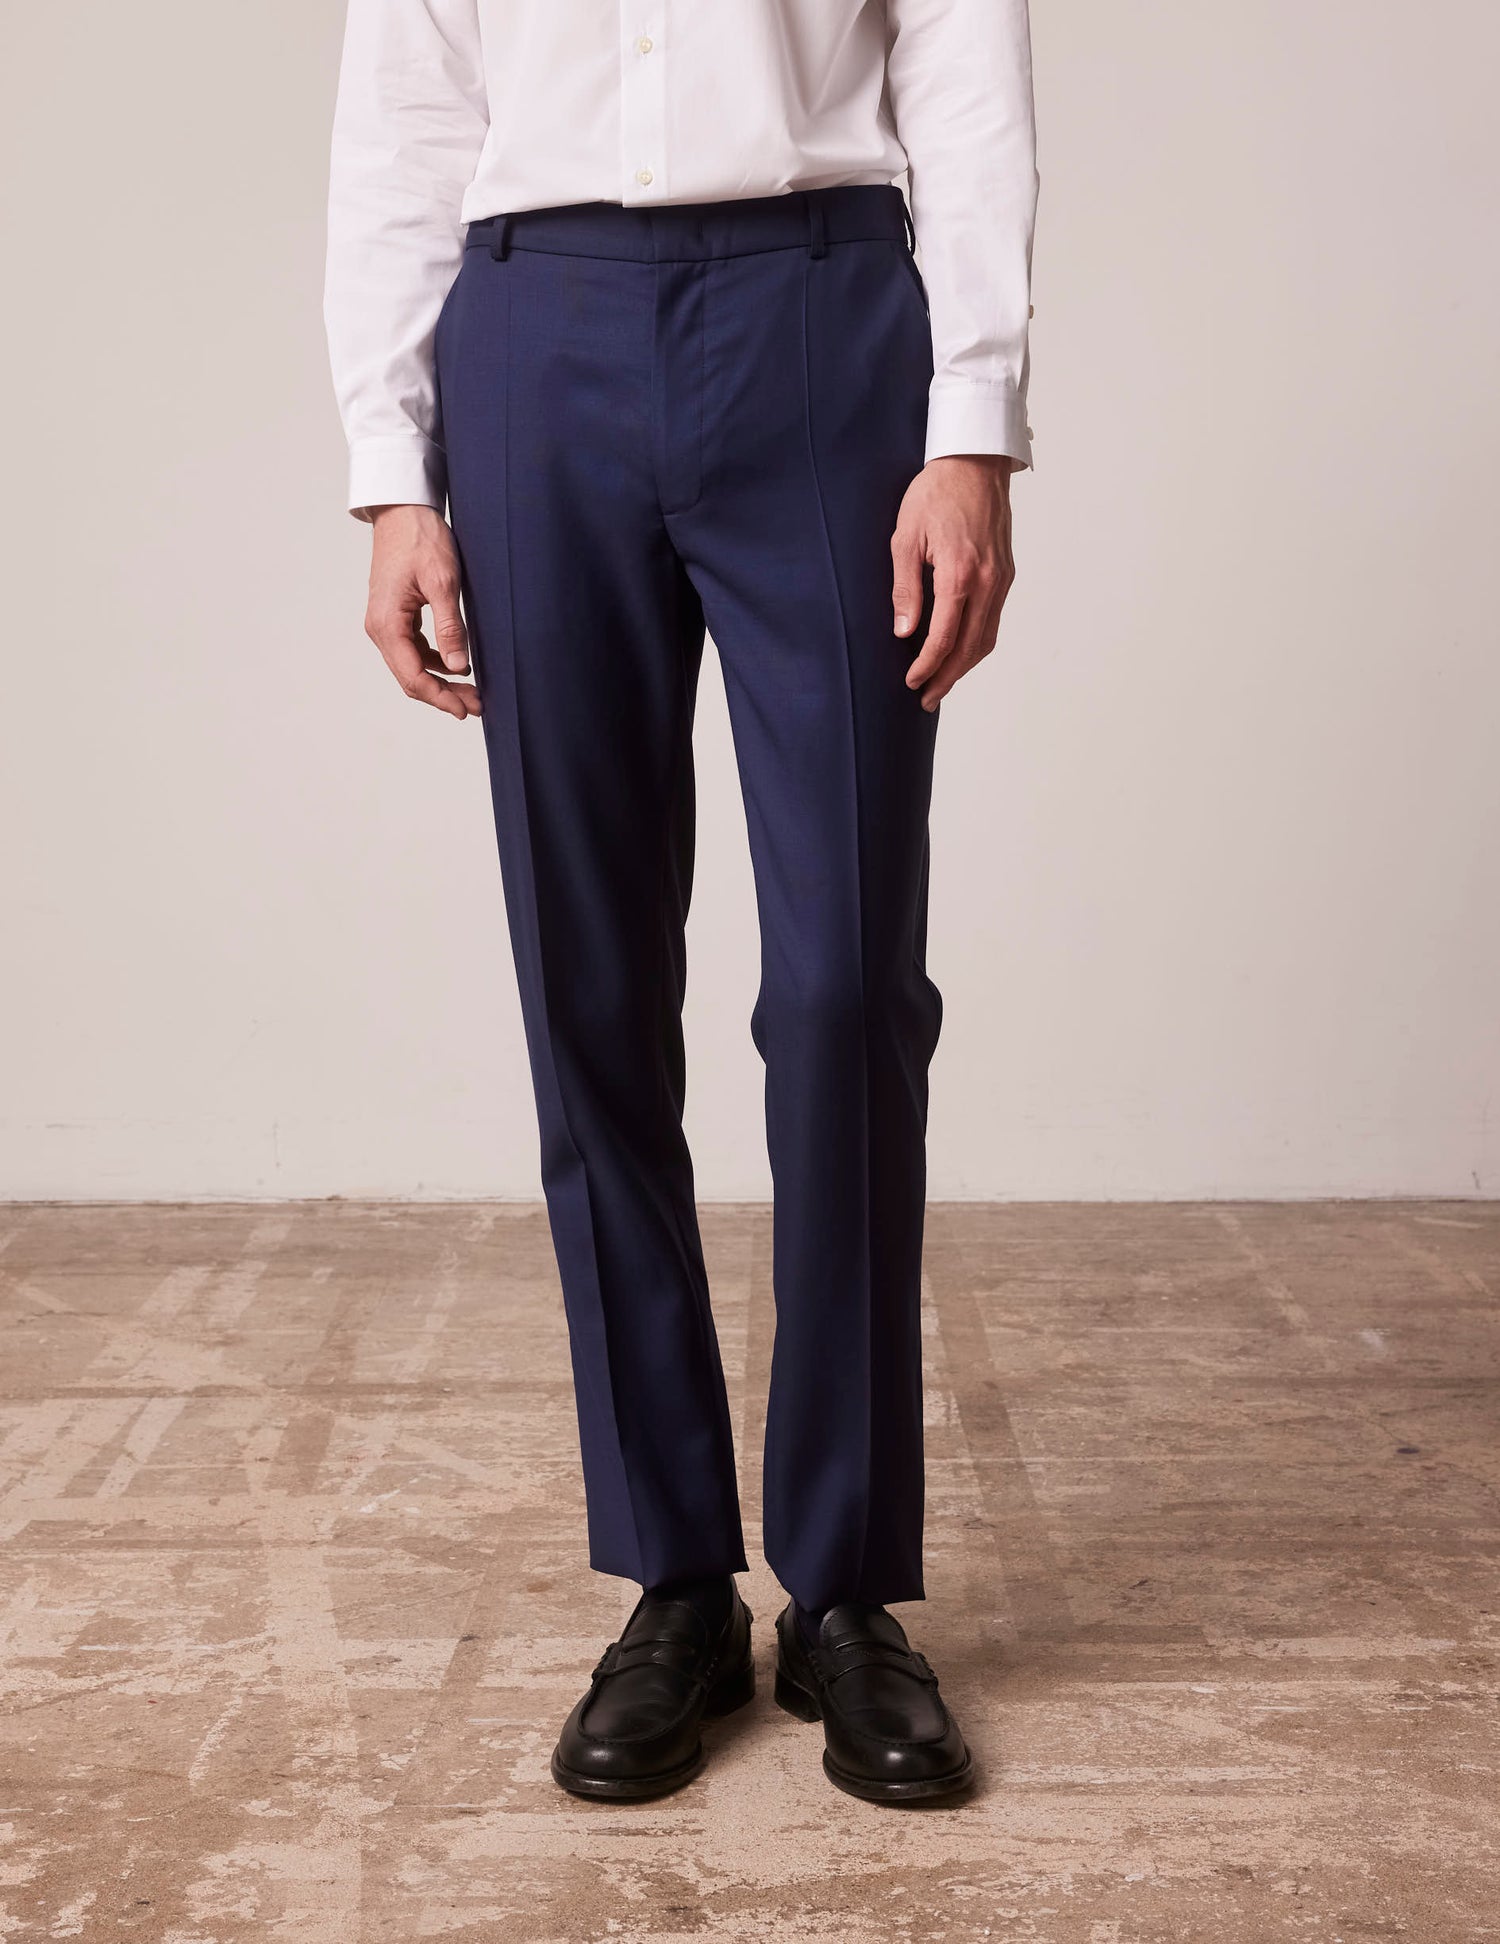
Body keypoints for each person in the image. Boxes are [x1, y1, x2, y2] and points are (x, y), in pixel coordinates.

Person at [324, 0, 1037, 1805]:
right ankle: (674, 1582)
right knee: (589, 987)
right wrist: (393, 472)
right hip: (533, 327)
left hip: (822, 318)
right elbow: (407, 107)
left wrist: (973, 423)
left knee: (847, 986)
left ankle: (846, 1588)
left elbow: (961, 59)